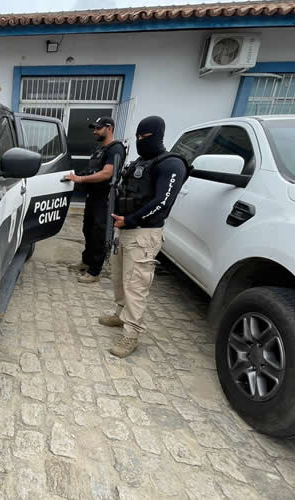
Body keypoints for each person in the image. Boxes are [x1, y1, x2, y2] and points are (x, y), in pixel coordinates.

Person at [100, 116, 189, 358]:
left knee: (136, 285)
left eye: (145, 137)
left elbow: (162, 202)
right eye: (138, 137)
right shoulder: (141, 161)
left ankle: (132, 334)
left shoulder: (171, 164)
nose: (140, 141)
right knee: (119, 278)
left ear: (158, 136)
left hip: (144, 233)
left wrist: (131, 219)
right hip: (125, 229)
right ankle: (121, 315)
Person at [64, 117, 127, 283]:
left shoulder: (116, 149)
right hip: (93, 197)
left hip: (105, 199)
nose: (95, 132)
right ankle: (86, 261)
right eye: (95, 128)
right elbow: (93, 169)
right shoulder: (101, 148)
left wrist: (80, 179)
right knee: (88, 230)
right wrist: (77, 175)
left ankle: (94, 271)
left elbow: (107, 173)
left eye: (98, 128)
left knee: (99, 233)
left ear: (109, 128)